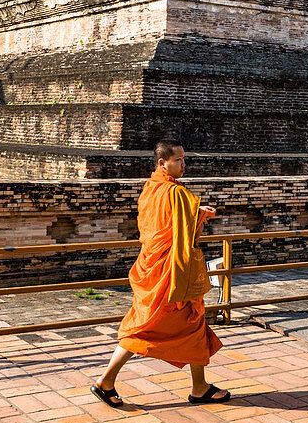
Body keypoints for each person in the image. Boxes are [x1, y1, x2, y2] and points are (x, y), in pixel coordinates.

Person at [92, 139, 230, 406]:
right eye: (177, 159)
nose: (183, 164)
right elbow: (178, 225)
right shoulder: (174, 193)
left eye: (183, 158)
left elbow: (162, 220)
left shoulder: (152, 187)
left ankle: (200, 386)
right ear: (162, 163)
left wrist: (195, 213)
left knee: (188, 324)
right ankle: (105, 381)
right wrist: (198, 216)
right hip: (169, 273)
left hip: (154, 268)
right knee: (147, 329)